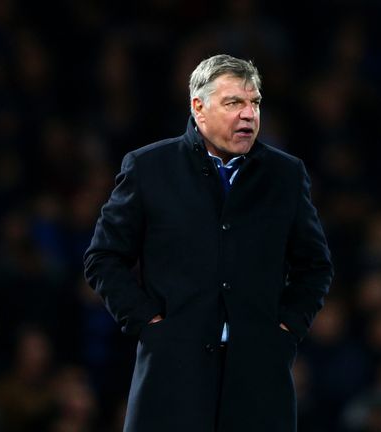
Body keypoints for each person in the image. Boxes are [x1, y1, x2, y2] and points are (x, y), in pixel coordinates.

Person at [84, 54, 333, 432]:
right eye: (234, 102)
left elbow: (315, 265)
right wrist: (148, 323)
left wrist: (285, 329)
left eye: (255, 102)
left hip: (258, 380)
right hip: (172, 377)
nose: (249, 114)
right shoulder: (149, 168)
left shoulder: (285, 175)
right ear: (198, 107)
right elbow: (103, 257)